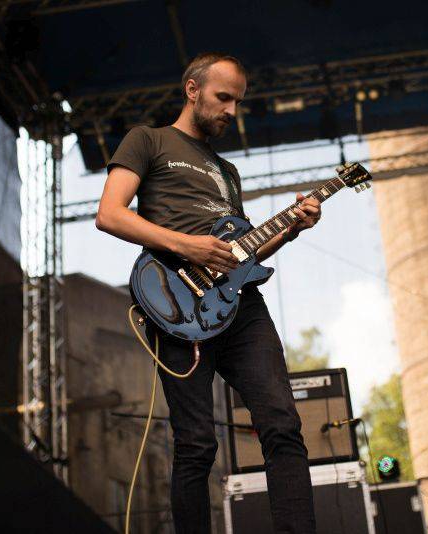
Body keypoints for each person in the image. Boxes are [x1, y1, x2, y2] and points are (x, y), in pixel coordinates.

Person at [96, 52, 319, 534]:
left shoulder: (227, 171)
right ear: (192, 90)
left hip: (240, 307)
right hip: (175, 301)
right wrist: (186, 244)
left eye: (238, 102)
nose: (232, 111)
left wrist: (293, 228)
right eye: (223, 98)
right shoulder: (148, 140)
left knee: (283, 424)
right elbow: (110, 213)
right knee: (196, 444)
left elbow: (243, 252)